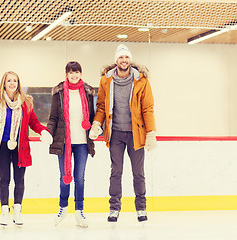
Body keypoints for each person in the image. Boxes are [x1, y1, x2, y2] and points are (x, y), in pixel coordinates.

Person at [89, 44, 157, 222]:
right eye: (121, 57)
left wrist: (151, 133)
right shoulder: (106, 80)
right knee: (116, 172)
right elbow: (102, 106)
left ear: (130, 60)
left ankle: (141, 208)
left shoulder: (141, 80)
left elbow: (148, 108)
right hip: (116, 134)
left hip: (136, 134)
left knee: (138, 173)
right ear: (116, 60)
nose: (124, 60)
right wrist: (97, 123)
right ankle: (114, 208)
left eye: (126, 57)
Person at [0, 71, 52, 226]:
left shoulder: (25, 103)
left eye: (15, 81)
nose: (12, 83)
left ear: (18, 84)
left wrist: (43, 131)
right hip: (1, 148)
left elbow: (33, 122)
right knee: (4, 180)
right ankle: (5, 212)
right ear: (4, 84)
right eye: (9, 81)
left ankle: (18, 211)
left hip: (20, 147)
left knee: (19, 180)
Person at [47, 61, 95, 228]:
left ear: (81, 74)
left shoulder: (88, 92)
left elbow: (93, 116)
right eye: (71, 72)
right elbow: (53, 118)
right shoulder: (58, 92)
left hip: (82, 142)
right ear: (66, 74)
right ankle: (62, 207)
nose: (74, 75)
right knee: (64, 177)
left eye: (77, 72)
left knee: (80, 178)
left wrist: (96, 128)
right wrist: (48, 132)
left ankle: (79, 211)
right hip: (64, 141)